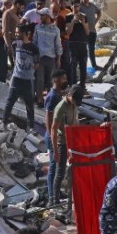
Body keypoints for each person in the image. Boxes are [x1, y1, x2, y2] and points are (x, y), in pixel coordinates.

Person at [49, 85, 84, 205]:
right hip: (62, 143)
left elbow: (76, 122)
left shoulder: (74, 105)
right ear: (69, 95)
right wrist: (55, 151)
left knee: (73, 170)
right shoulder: (60, 108)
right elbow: (53, 130)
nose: (75, 103)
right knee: (60, 172)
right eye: (74, 100)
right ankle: (54, 200)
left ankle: (65, 194)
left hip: (73, 141)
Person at [1, 22, 40, 132]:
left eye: (19, 33)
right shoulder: (15, 44)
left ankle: (31, 127)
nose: (17, 34)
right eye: (16, 32)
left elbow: (37, 65)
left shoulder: (33, 48)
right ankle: (3, 123)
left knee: (29, 105)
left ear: (26, 33)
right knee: (10, 101)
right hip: (16, 78)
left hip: (28, 80)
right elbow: (12, 55)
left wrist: (30, 64)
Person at [42, 69, 67, 202]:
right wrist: (53, 137)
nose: (65, 81)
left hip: (56, 135)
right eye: (63, 78)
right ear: (56, 79)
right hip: (53, 136)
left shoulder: (58, 95)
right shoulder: (52, 97)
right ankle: (52, 196)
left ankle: (56, 192)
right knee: (53, 166)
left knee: (58, 167)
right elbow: (48, 119)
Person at [33, 8, 62, 104]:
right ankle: (39, 99)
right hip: (40, 58)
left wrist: (58, 59)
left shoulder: (55, 30)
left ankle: (50, 100)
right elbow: (35, 42)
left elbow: (58, 45)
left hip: (51, 58)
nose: (40, 17)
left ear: (48, 16)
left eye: (42, 15)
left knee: (51, 80)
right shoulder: (37, 28)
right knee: (39, 79)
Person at [65, 0, 89, 86]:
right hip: (73, 43)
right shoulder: (68, 16)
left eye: (78, 6)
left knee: (83, 65)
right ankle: (73, 85)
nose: (76, 8)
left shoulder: (83, 16)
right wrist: (73, 21)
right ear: (71, 6)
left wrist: (83, 23)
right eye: (75, 6)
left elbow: (87, 32)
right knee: (73, 65)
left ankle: (82, 85)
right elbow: (68, 32)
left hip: (82, 43)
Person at [78, 0, 100, 70]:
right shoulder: (79, 6)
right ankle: (82, 67)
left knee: (91, 49)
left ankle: (94, 65)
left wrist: (96, 21)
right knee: (83, 50)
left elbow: (99, 12)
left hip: (92, 31)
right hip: (83, 32)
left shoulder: (92, 5)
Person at [1, 0, 24, 69]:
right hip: (10, 44)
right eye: (22, 7)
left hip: (16, 43)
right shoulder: (8, 13)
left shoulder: (16, 15)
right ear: (18, 5)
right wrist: (9, 46)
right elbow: (5, 30)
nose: (22, 9)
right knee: (14, 67)